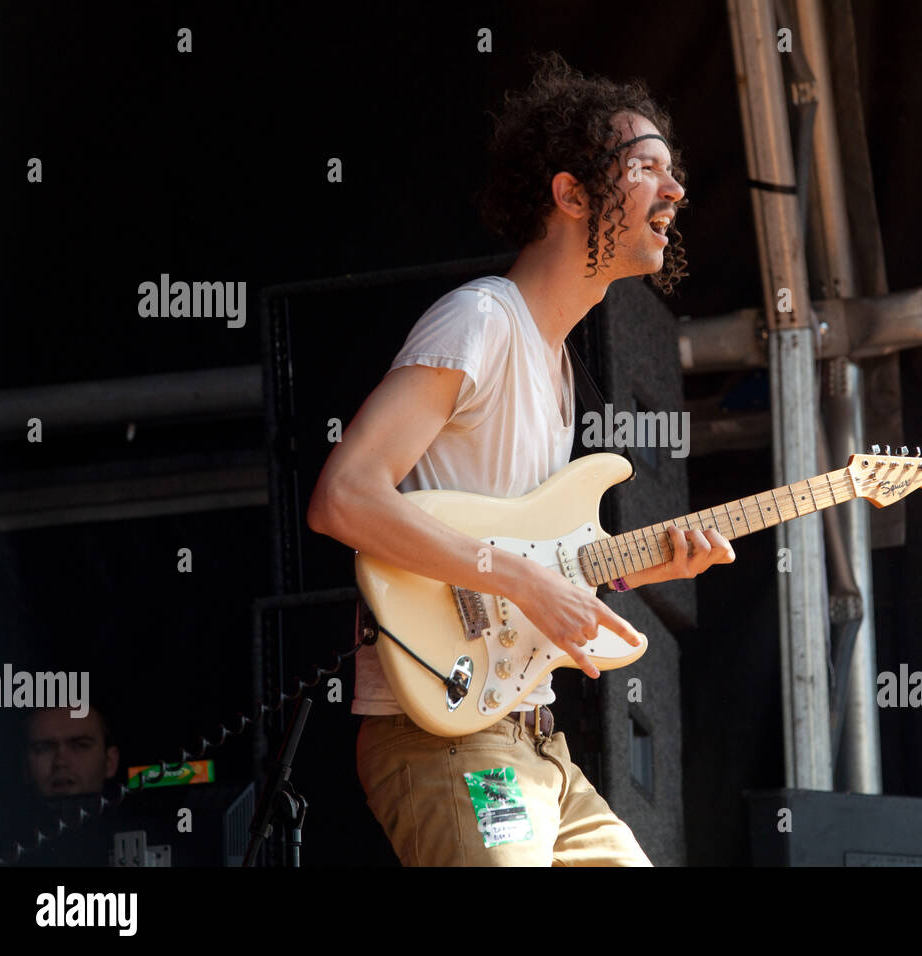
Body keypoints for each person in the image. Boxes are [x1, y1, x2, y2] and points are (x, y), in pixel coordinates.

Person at [306, 52, 735, 866]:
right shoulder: (480, 320)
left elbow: (535, 560)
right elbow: (344, 498)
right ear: (570, 194)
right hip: (444, 736)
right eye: (645, 167)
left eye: (672, 173)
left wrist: (629, 569)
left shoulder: (560, 364)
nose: (674, 191)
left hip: (538, 748)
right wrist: (519, 576)